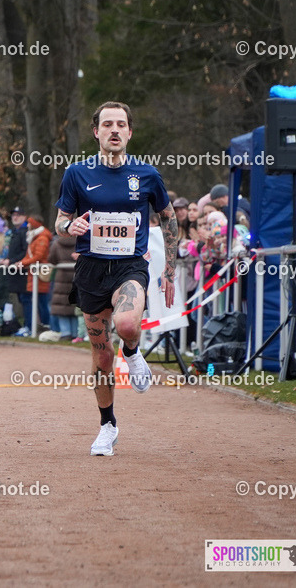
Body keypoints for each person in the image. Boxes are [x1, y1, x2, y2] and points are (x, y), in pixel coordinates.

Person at [54, 101, 176, 456]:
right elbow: (60, 222)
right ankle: (107, 425)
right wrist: (69, 226)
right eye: (107, 124)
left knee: (125, 324)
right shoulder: (77, 173)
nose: (114, 130)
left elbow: (168, 219)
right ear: (96, 132)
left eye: (121, 124)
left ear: (130, 132)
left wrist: (168, 271)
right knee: (101, 356)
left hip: (130, 266)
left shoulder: (147, 174)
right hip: (92, 269)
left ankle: (134, 352)